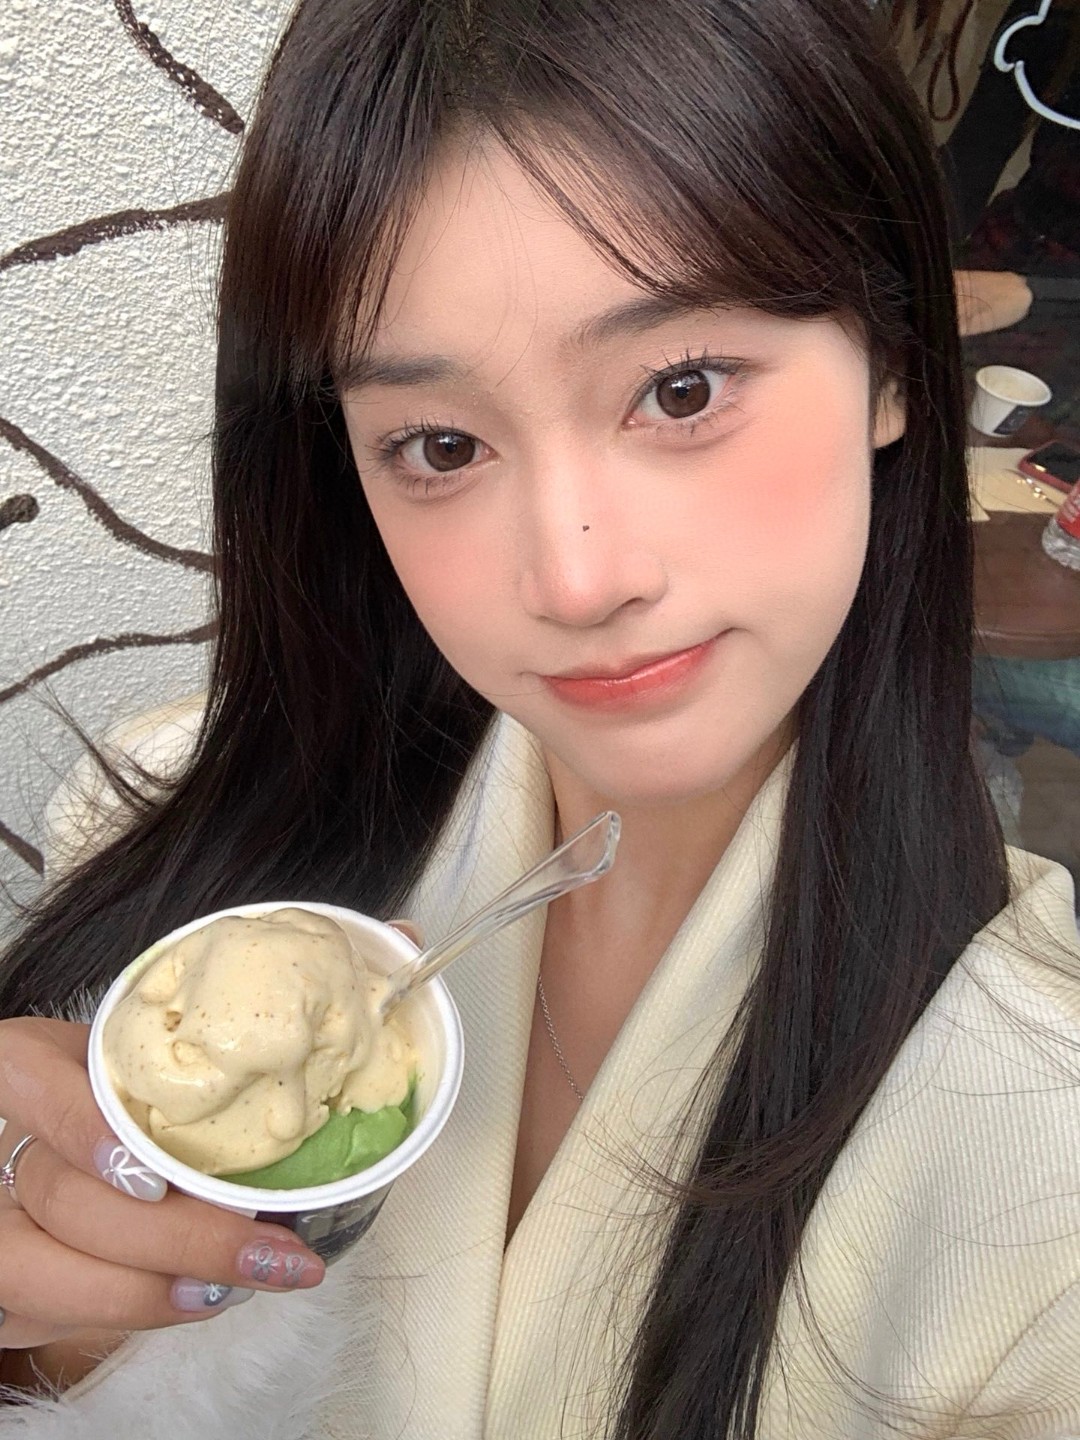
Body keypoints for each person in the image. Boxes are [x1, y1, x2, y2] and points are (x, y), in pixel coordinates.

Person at [0, 0, 1079, 1436]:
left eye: (681, 390)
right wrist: (53, 1338)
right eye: (441, 444)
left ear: (888, 362)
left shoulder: (1038, 1152)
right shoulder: (163, 866)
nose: (576, 579)